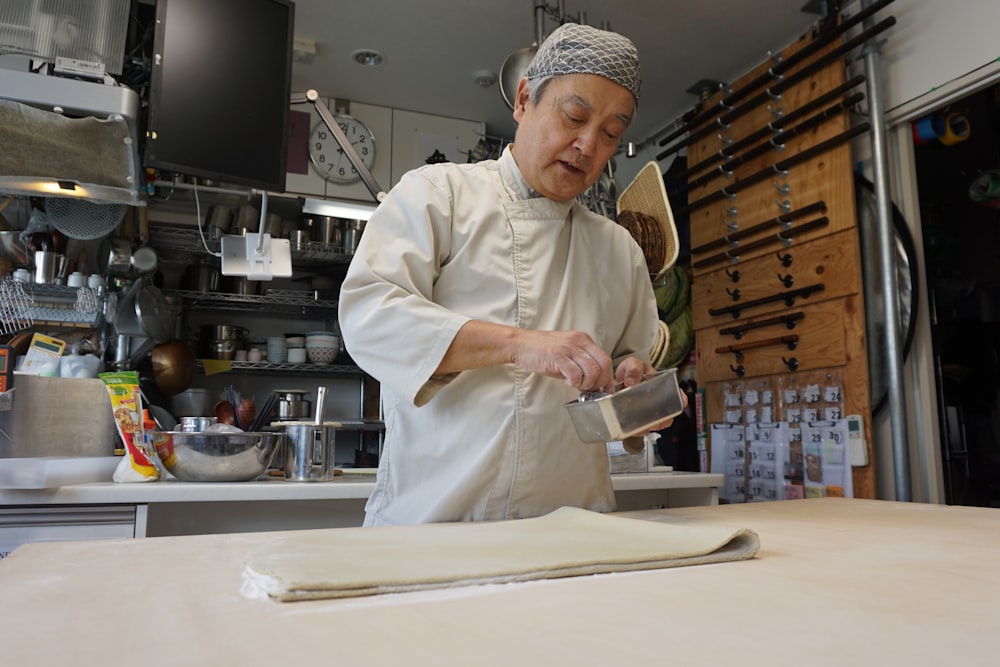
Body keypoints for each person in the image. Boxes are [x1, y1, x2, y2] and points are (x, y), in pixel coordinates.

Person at [339, 22, 674, 526]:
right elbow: (370, 317)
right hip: (433, 527)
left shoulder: (617, 249)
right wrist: (522, 344)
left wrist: (639, 397)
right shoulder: (438, 196)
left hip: (573, 531)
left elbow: (629, 401)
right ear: (523, 100)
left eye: (610, 134)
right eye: (574, 116)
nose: (587, 145)